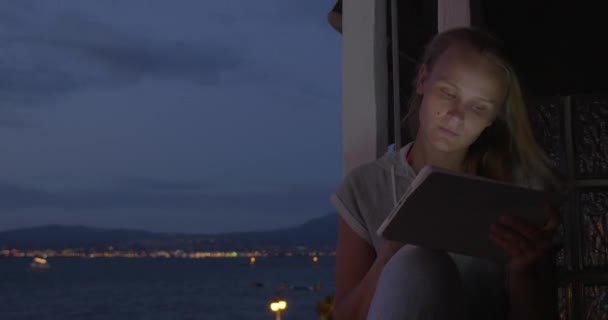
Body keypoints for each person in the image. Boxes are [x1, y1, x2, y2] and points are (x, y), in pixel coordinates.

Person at [331, 27, 564, 320]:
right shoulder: (365, 187)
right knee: (416, 263)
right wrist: (394, 249)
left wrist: (526, 271)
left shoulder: (517, 192)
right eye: (448, 92)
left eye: (478, 107)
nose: (455, 116)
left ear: (493, 118)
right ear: (423, 80)